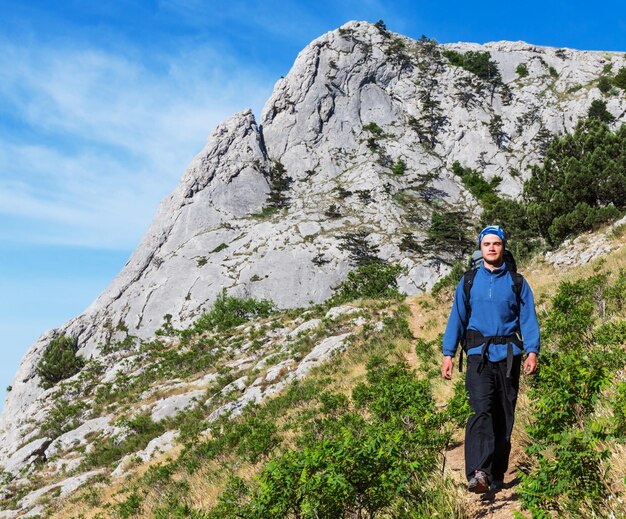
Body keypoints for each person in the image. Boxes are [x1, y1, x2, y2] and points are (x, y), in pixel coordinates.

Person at [441, 225, 540, 493]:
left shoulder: (517, 282)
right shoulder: (469, 281)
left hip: (509, 356)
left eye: (497, 244)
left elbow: (528, 318)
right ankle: (478, 472)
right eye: (487, 244)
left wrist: (532, 351)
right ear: (480, 248)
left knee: (504, 414)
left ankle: (496, 473)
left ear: (503, 247)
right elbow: (457, 319)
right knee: (480, 410)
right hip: (478, 357)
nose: (492, 248)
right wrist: (448, 354)